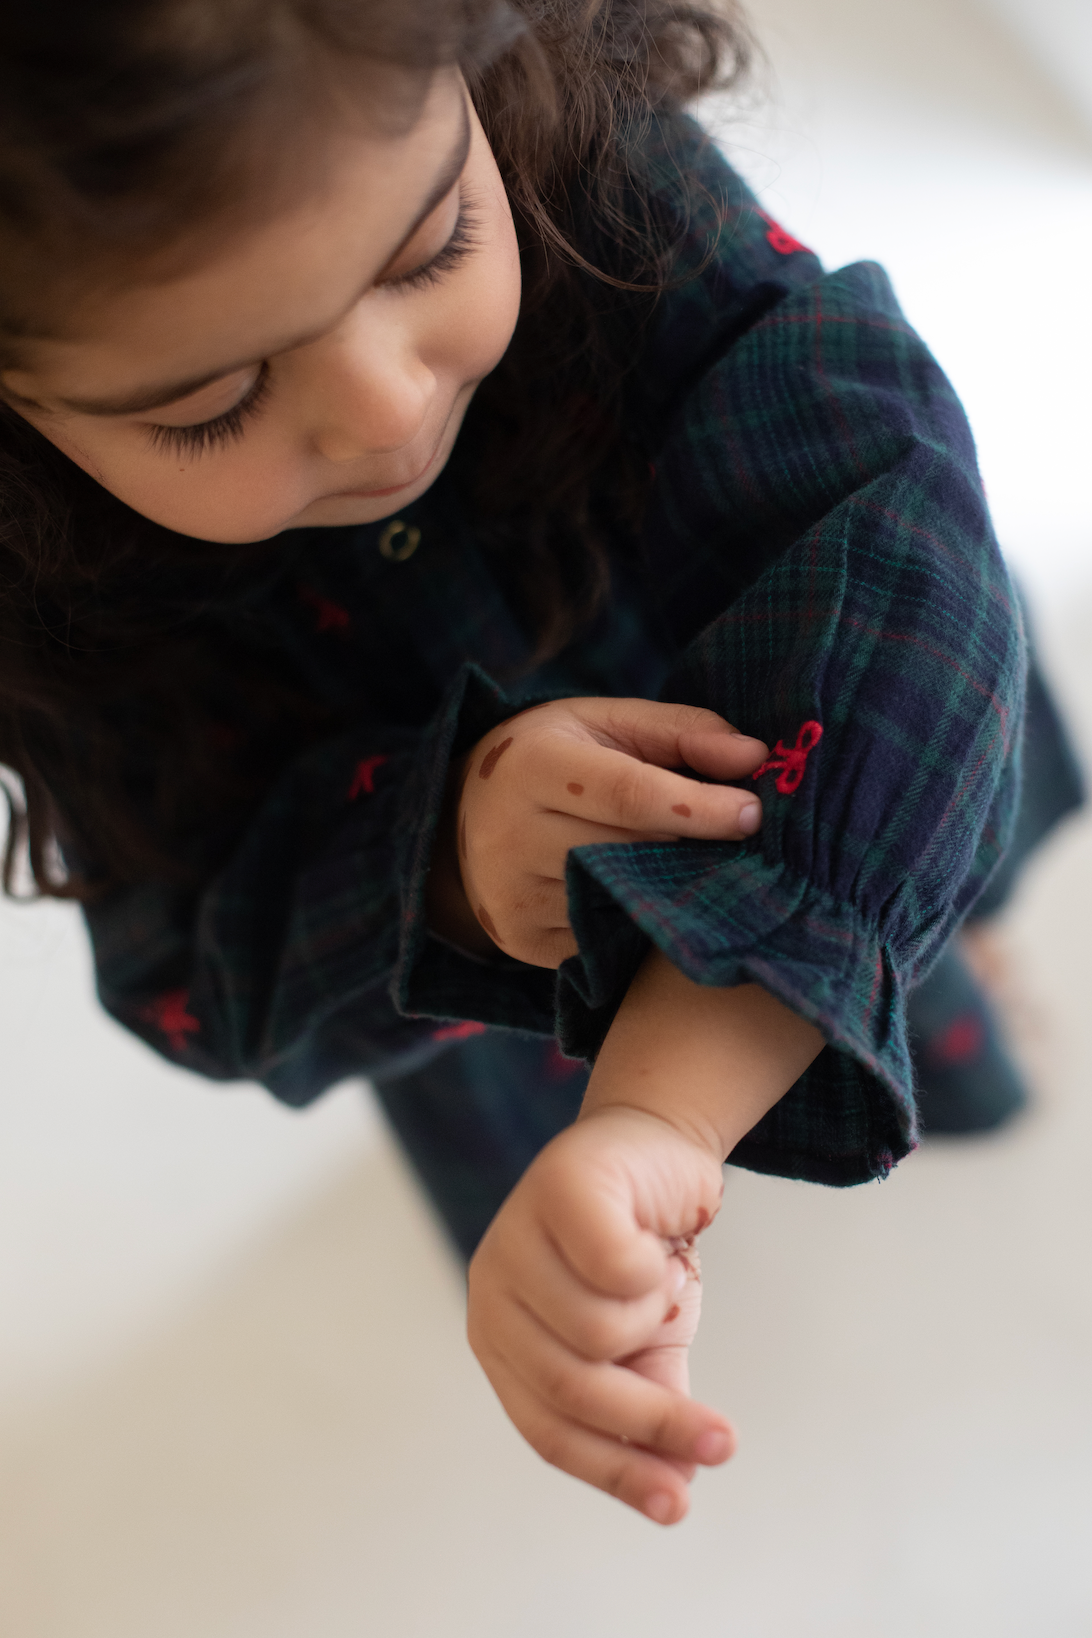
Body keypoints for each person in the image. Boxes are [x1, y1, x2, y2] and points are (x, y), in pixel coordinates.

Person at [0, 0, 1081, 1528]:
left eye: (431, 248)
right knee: (587, 1238)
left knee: (904, 862)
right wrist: (436, 861)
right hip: (495, 1023)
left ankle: (919, 954)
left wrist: (668, 1106)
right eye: (210, 405)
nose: (383, 406)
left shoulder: (588, 161)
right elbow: (191, 957)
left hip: (824, 738)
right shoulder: (47, 605)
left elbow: (889, 519)